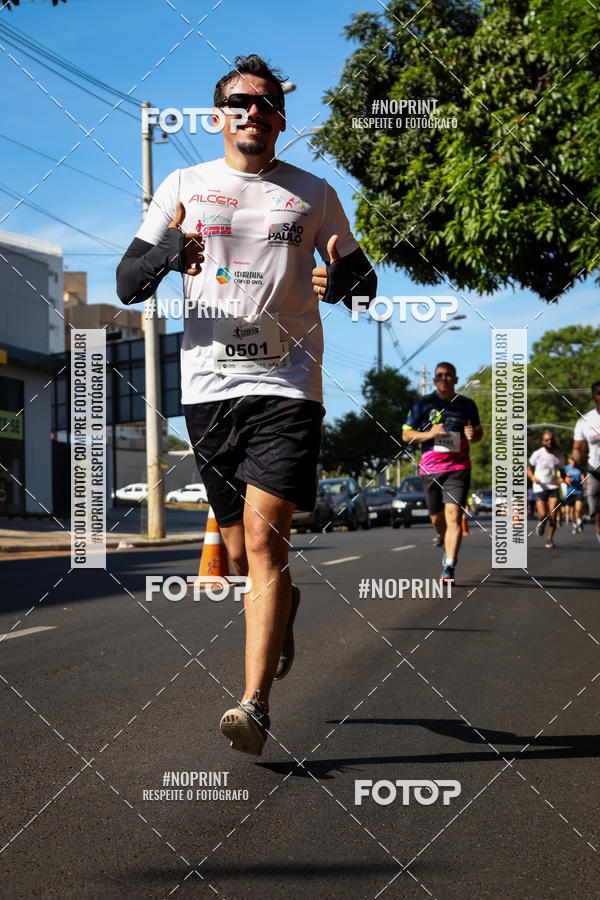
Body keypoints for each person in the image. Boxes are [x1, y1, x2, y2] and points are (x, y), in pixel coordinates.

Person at [116, 55, 377, 756]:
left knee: (265, 542)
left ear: (280, 119)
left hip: (289, 384)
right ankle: (282, 604)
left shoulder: (314, 192)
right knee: (234, 553)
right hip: (208, 389)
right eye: (239, 102)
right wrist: (172, 247)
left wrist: (342, 280)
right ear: (217, 116)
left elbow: (363, 278)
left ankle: (253, 704)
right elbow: (127, 283)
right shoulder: (183, 185)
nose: (252, 112)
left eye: (264, 104)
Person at [402, 362, 483, 582]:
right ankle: (442, 535)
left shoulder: (467, 404)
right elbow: (406, 435)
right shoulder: (423, 404)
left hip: (458, 467)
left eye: (448, 375)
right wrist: (430, 434)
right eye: (440, 375)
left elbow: (479, 433)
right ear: (434, 380)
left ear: (456, 379)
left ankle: (449, 566)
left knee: (454, 516)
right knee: (437, 518)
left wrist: (472, 435)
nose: (444, 379)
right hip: (430, 469)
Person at [572, 380, 600, 546]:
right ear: (594, 396)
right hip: (595, 472)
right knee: (598, 515)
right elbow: (577, 448)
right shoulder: (585, 421)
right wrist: (578, 456)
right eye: (599, 393)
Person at [527, 431, 565, 549]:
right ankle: (541, 523)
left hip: (553, 487)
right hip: (540, 487)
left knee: (553, 515)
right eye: (547, 440)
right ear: (543, 442)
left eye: (551, 439)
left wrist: (563, 479)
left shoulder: (559, 456)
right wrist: (533, 478)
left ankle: (549, 539)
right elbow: (528, 469)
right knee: (543, 514)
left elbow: (563, 473)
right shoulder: (537, 454)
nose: (550, 442)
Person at [564, 455, 585, 533]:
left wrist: (584, 483)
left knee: (578, 509)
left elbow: (583, 477)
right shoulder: (566, 468)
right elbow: (561, 478)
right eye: (572, 460)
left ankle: (579, 520)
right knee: (571, 512)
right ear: (569, 460)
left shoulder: (580, 468)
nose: (573, 461)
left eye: (574, 460)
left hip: (579, 491)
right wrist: (566, 479)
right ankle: (575, 524)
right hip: (570, 492)